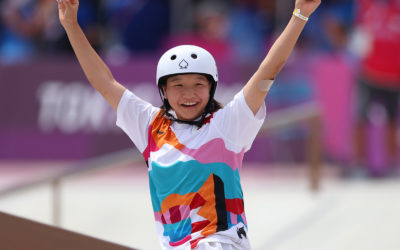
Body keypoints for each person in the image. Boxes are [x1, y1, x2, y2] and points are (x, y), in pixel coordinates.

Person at [56, 0, 321, 249]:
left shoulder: (229, 124)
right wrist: (71, 25)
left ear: (211, 88)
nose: (188, 94)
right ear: (164, 91)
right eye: (178, 86)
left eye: (198, 84)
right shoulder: (149, 126)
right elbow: (104, 82)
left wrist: (300, 15)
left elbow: (268, 70)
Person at [352, 0, 400, 177]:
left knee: (392, 122)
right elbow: (358, 34)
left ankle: (393, 165)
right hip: (368, 73)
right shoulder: (365, 5)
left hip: (394, 77)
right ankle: (358, 165)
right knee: (360, 119)